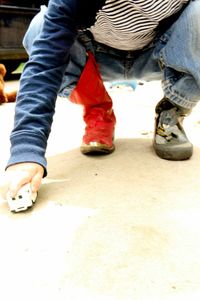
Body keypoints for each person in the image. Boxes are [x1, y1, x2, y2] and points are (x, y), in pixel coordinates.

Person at [3, 0, 200, 198]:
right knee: (40, 28)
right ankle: (98, 110)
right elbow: (45, 62)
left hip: (160, 53)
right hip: (97, 55)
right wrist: (26, 149)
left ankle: (172, 110)